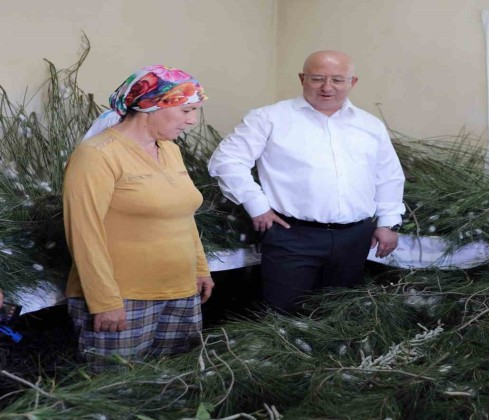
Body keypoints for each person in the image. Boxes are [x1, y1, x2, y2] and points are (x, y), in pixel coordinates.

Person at [208, 50, 405, 314]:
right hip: (292, 236)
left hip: (356, 237)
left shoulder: (370, 125)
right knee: (284, 316)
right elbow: (227, 160)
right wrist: (257, 205)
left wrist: (389, 222)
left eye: (337, 79)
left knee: (342, 316)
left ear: (353, 82)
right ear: (302, 78)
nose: (327, 87)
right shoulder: (268, 118)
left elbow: (389, 176)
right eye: (317, 78)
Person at [63, 65, 214, 370]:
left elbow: (183, 214)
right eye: (186, 110)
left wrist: (199, 268)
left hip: (180, 291)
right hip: (124, 298)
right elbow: (83, 232)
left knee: (175, 381)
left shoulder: (170, 150)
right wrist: (104, 301)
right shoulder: (98, 154)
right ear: (151, 106)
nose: (192, 120)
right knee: (117, 390)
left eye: (196, 110)